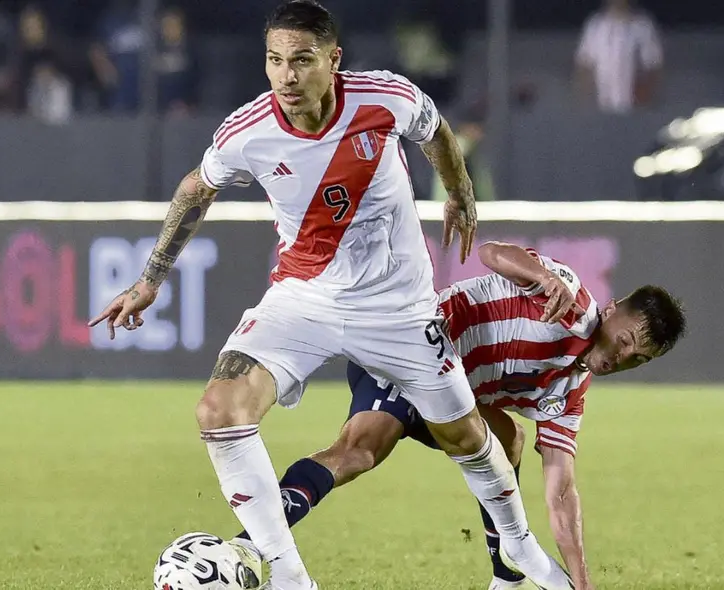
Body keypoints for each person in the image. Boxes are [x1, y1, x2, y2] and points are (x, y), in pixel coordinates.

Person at [89, 2, 574, 589]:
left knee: (471, 438)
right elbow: (196, 188)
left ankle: (519, 549)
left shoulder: (384, 98)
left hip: (401, 309)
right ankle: (291, 578)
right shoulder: (249, 133)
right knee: (219, 412)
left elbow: (436, 131)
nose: (286, 77)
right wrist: (150, 279)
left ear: (332, 60)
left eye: (301, 61)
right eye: (274, 61)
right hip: (304, 299)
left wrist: (459, 190)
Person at [230, 241, 687, 590]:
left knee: (508, 441)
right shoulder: (570, 302)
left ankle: (505, 577)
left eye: (636, 360)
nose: (619, 359)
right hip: (412, 350)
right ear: (610, 312)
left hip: (450, 396)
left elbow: (561, 490)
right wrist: (543, 277)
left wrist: (582, 583)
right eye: (624, 342)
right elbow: (491, 252)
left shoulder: (569, 389)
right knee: (359, 451)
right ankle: (247, 544)